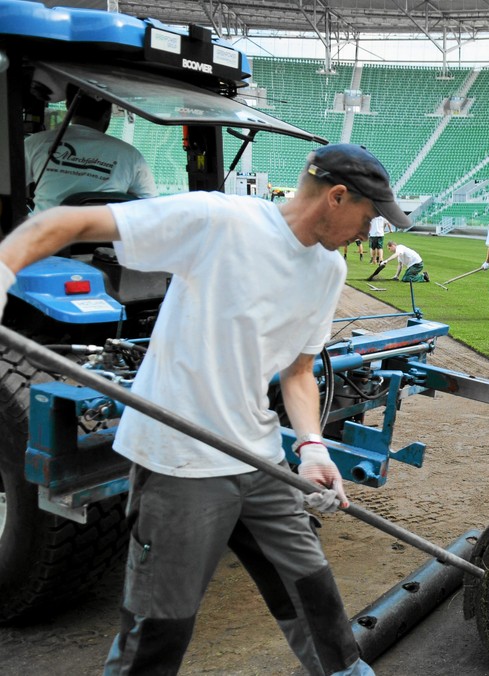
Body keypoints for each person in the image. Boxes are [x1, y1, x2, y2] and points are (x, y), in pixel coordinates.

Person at [0, 143, 411, 676]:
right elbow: (62, 221)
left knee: (315, 596)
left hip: (259, 459)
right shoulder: (220, 220)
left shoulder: (328, 270)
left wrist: (311, 448)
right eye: (369, 215)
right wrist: (5, 269)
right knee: (159, 632)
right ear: (336, 196)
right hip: (180, 463)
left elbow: (299, 372)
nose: (369, 231)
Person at [25, 86, 157, 213]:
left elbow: (9, 189)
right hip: (102, 234)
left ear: (68, 107)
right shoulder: (131, 155)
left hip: (45, 233)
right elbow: (151, 206)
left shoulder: (35, 143)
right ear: (107, 114)